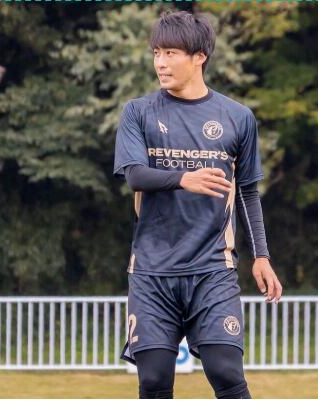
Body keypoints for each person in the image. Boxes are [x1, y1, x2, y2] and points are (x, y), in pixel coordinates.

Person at [113, 10, 283, 399]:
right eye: (157, 53)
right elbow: (135, 176)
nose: (160, 62)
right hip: (152, 271)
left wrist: (261, 256)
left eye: (171, 53)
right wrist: (183, 178)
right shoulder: (138, 112)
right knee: (154, 382)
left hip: (212, 270)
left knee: (226, 372)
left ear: (199, 57)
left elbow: (247, 192)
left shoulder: (238, 118)